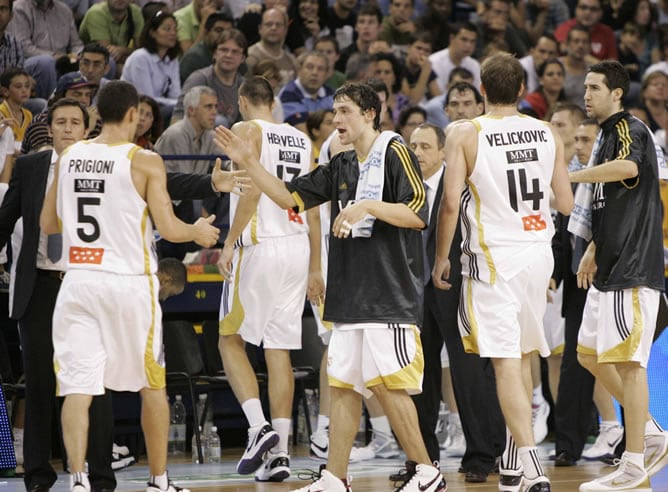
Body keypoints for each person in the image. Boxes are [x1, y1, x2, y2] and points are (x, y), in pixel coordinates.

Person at [0, 94, 246, 492]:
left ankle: (77, 478)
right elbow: (168, 228)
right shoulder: (143, 159)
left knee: (79, 387)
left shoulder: (69, 157)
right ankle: (159, 481)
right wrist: (197, 231)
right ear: (133, 114)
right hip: (128, 282)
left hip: (78, 282)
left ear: (96, 116)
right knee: (152, 385)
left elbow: (47, 223)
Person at [214, 81, 446, 492]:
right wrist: (249, 162)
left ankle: (427, 471)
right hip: (349, 294)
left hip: (387, 295)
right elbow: (288, 199)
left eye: (345, 111)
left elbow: (416, 212)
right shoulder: (340, 164)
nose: (336, 120)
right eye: (334, 111)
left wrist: (367, 206)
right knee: (342, 386)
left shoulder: (394, 150)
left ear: (369, 114)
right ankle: (335, 477)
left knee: (386, 384)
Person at [432, 52, 574, 492]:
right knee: (525, 349)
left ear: (482, 91)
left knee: (505, 359)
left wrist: (441, 257)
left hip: (494, 259)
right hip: (539, 251)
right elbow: (566, 204)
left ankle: (531, 464)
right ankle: (514, 455)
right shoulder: (548, 131)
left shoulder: (465, 132)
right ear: (520, 88)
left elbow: (451, 203)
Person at [569, 60, 668, 491]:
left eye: (594, 88)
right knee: (588, 354)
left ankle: (633, 462)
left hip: (633, 268)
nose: (586, 95)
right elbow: (614, 203)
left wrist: (572, 176)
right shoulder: (606, 135)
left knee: (629, 366)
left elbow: (630, 170)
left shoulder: (629, 128)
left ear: (616, 93)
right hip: (608, 265)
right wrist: (592, 247)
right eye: (585, 88)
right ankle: (649, 432)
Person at [215, 76, 314, 482]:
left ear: (242, 101)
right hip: (297, 246)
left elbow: (253, 192)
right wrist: (317, 266)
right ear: (273, 100)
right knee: (279, 350)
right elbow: (314, 205)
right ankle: (281, 456)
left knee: (229, 339)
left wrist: (229, 241)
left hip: (261, 245)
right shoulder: (302, 139)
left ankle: (259, 429)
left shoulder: (245, 129)